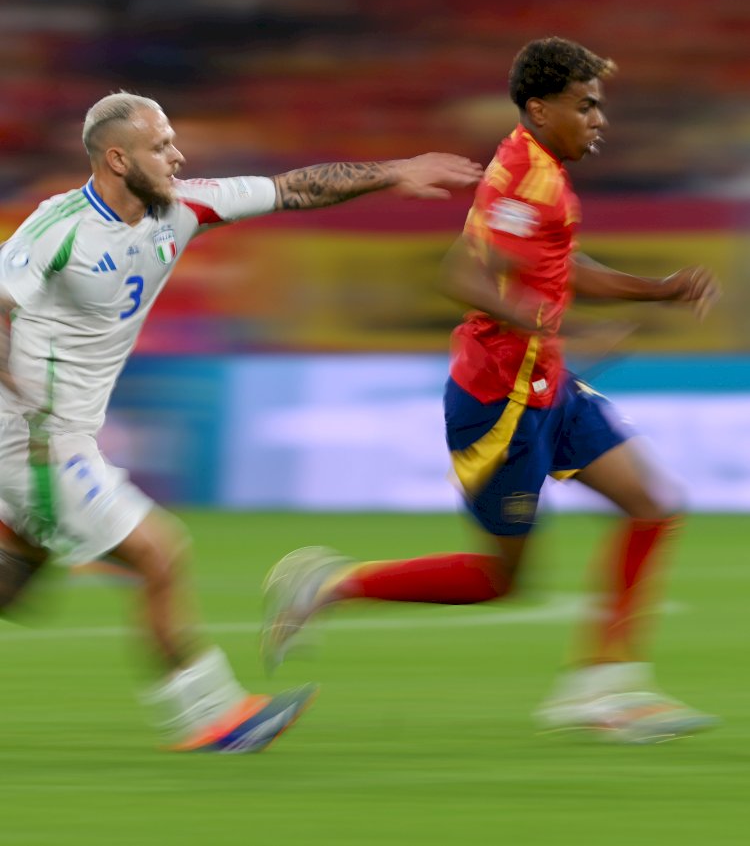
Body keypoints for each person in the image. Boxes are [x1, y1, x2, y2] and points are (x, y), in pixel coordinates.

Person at [260, 37, 722, 744]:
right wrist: (550, 321)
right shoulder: (524, 177)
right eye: (585, 106)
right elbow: (459, 273)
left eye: (599, 106)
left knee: (654, 504)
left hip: (546, 382)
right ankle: (331, 584)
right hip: (500, 404)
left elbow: (559, 265)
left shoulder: (541, 172)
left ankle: (604, 688)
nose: (599, 120)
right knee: (500, 580)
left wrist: (657, 290)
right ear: (539, 109)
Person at [0, 91, 484, 753]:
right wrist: (26, 410)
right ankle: (211, 716)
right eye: (160, 147)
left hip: (61, 435)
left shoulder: (181, 209)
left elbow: (293, 189)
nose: (177, 156)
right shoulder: (58, 228)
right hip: (33, 440)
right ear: (116, 159)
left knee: (14, 583)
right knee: (158, 553)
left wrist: (395, 171)